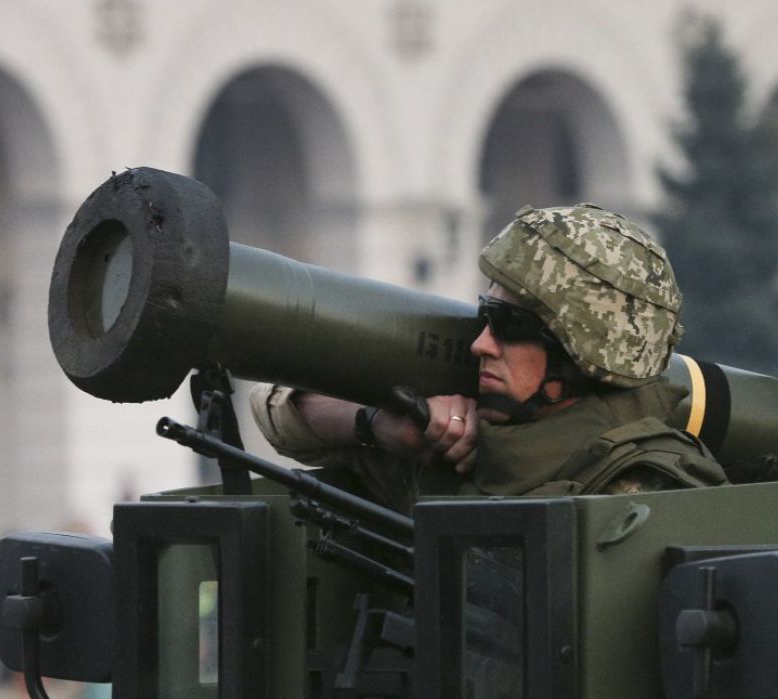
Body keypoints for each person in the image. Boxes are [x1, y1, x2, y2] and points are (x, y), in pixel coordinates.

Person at [251, 203, 726, 509]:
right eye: (484, 317)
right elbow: (276, 409)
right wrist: (377, 424)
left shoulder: (654, 491)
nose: (481, 344)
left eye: (508, 326)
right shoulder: (473, 447)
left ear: (582, 352)